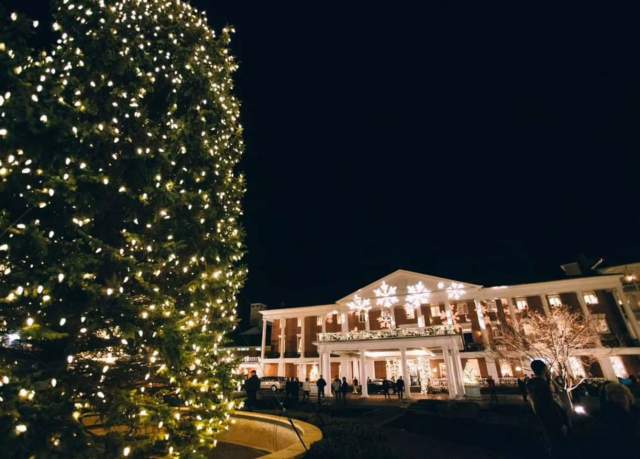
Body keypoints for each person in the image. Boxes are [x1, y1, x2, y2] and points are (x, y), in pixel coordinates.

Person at [526, 360, 570, 458]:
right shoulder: (543, 384)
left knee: (550, 441)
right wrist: (560, 422)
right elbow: (550, 403)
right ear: (544, 369)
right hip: (553, 418)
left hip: (541, 416)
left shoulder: (530, 383)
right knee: (559, 444)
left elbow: (533, 402)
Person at [592, 382, 640, 456]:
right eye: (613, 393)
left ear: (628, 395)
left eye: (620, 392)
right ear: (609, 398)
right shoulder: (609, 417)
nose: (618, 396)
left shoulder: (635, 411)